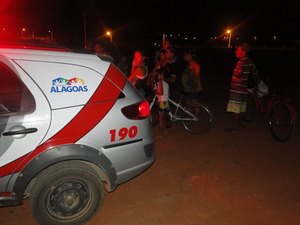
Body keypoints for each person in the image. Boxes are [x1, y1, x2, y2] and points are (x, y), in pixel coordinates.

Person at [226, 42, 259, 133]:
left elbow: (237, 75)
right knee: (241, 108)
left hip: (237, 89)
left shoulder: (240, 63)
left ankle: (234, 128)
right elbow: (256, 72)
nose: (236, 51)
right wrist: (257, 82)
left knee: (235, 108)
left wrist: (235, 73)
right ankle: (241, 124)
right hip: (244, 88)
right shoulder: (250, 61)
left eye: (238, 50)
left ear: (243, 51)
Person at [154, 68, 170, 137]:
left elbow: (159, 93)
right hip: (166, 102)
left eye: (158, 75)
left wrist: (155, 91)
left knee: (160, 118)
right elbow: (168, 94)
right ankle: (165, 132)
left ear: (161, 75)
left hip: (161, 102)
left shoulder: (159, 83)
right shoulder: (166, 83)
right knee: (162, 117)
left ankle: (161, 134)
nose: (157, 76)